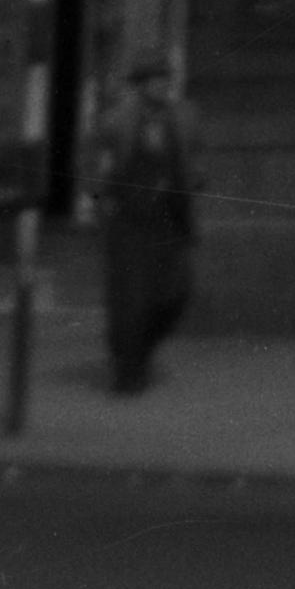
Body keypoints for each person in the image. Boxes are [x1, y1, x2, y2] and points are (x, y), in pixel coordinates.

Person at [87, 53, 199, 393]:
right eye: (156, 79)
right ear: (140, 85)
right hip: (129, 220)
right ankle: (128, 371)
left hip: (170, 217)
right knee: (131, 300)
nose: (164, 85)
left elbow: (193, 159)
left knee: (176, 294)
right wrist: (100, 198)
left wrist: (195, 179)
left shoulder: (183, 117)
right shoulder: (116, 121)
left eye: (166, 78)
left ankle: (142, 351)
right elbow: (99, 167)